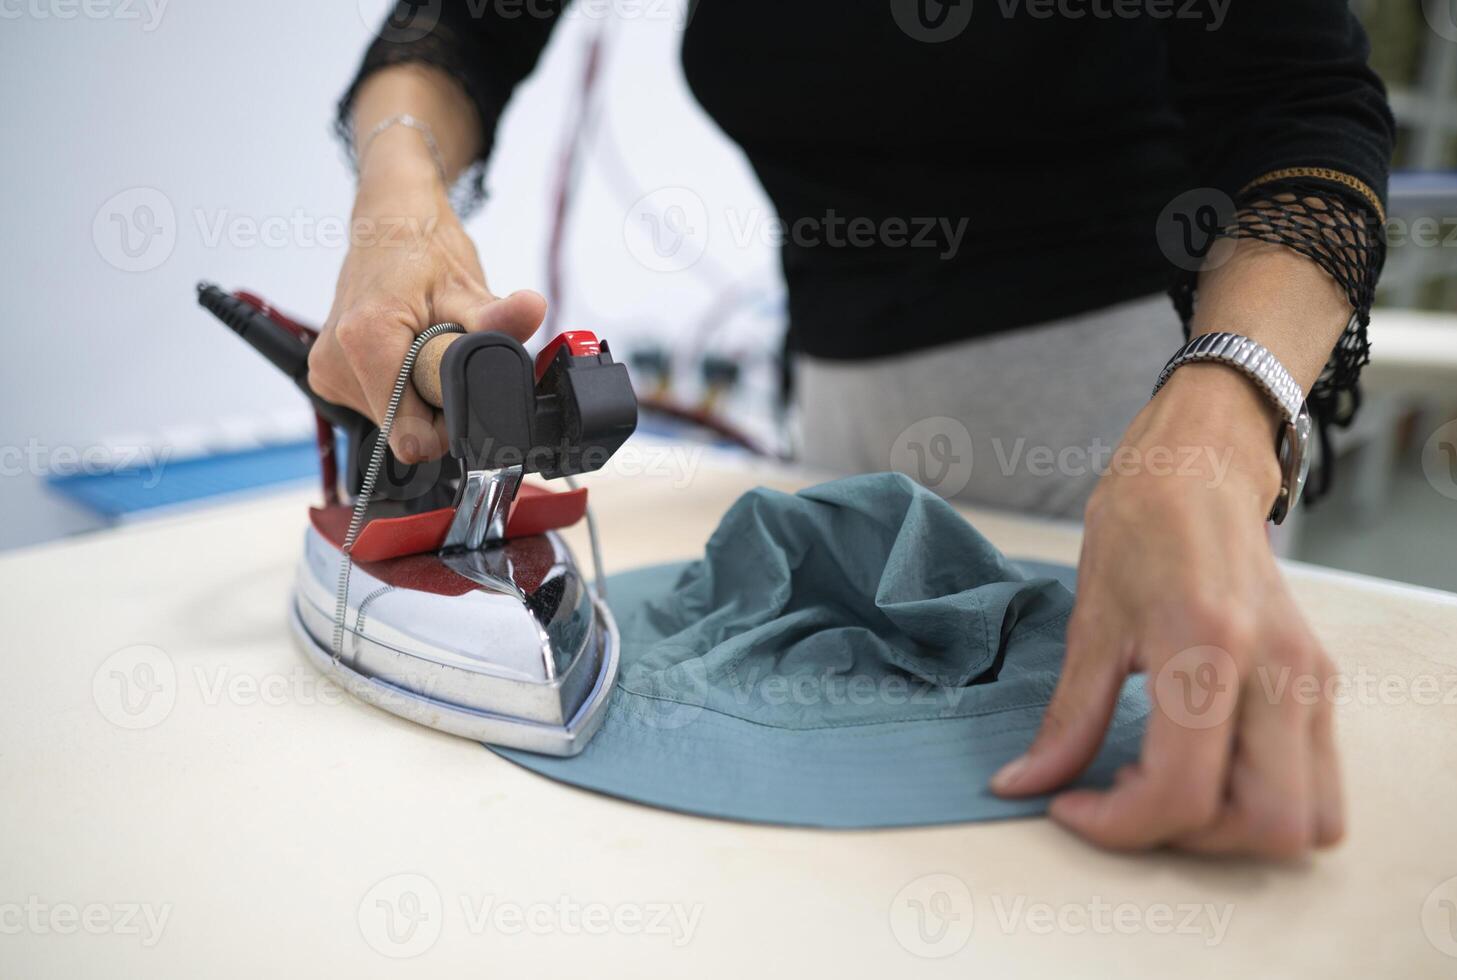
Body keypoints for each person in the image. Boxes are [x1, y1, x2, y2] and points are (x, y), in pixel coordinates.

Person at [308, 1, 1395, 858]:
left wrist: (1222, 417)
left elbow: (1304, 103)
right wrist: (400, 206)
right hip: (836, 427)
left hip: (1151, 429)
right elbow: (453, 28)